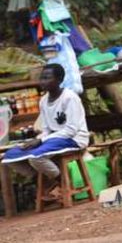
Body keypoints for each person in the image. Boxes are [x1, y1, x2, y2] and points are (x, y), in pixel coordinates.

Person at [2, 63, 89, 196]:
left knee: (35, 157)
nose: (43, 81)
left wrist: (41, 141)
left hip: (74, 139)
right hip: (53, 139)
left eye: (47, 78)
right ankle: (43, 181)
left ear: (59, 80)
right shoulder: (43, 101)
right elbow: (47, 129)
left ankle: (62, 181)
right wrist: (37, 139)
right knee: (9, 156)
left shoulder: (69, 98)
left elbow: (71, 130)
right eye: (42, 78)